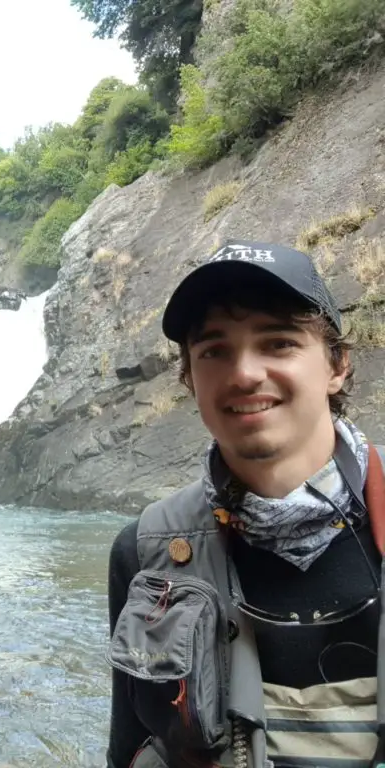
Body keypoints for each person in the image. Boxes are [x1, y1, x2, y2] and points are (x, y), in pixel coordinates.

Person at [105, 239, 385, 767]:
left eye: (278, 343)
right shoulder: (144, 557)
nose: (244, 373)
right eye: (214, 350)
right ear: (189, 378)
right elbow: (128, 749)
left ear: (337, 366)